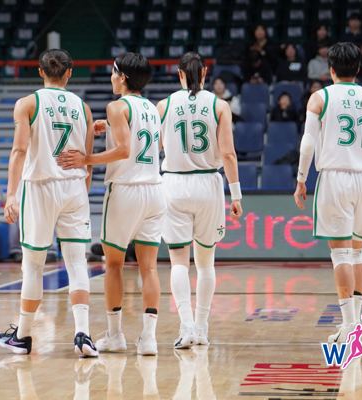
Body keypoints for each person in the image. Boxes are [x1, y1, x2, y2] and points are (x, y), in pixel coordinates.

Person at [57, 52, 166, 356]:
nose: (111, 77)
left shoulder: (116, 106)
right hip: (155, 189)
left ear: (123, 77)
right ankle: (149, 339)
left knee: (114, 264)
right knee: (149, 267)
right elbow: (147, 143)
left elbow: (123, 150)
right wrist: (111, 125)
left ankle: (115, 335)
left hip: (126, 190)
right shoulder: (153, 108)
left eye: (113, 72)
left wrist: (86, 159)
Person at [0, 49, 98, 357]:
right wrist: (80, 192)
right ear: (70, 73)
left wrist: (11, 195)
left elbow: (19, 151)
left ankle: (23, 336)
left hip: (40, 187)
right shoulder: (84, 108)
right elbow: (88, 160)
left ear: (40, 72)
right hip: (74, 187)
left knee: (33, 265)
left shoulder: (27, 103)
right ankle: (83, 334)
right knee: (77, 262)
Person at [294, 42, 362, 344]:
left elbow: (308, 142)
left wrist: (301, 179)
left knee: (340, 254)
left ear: (331, 69)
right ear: (358, 68)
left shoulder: (320, 97)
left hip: (335, 177)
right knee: (358, 252)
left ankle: (349, 324)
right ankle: (356, 323)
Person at [157, 52, 243, 349]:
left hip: (174, 184)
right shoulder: (220, 105)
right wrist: (236, 194)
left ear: (179, 73)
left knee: (178, 262)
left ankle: (186, 328)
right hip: (208, 183)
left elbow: (156, 149)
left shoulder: (163, 105)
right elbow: (228, 154)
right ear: (205, 72)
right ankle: (202, 328)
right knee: (205, 264)